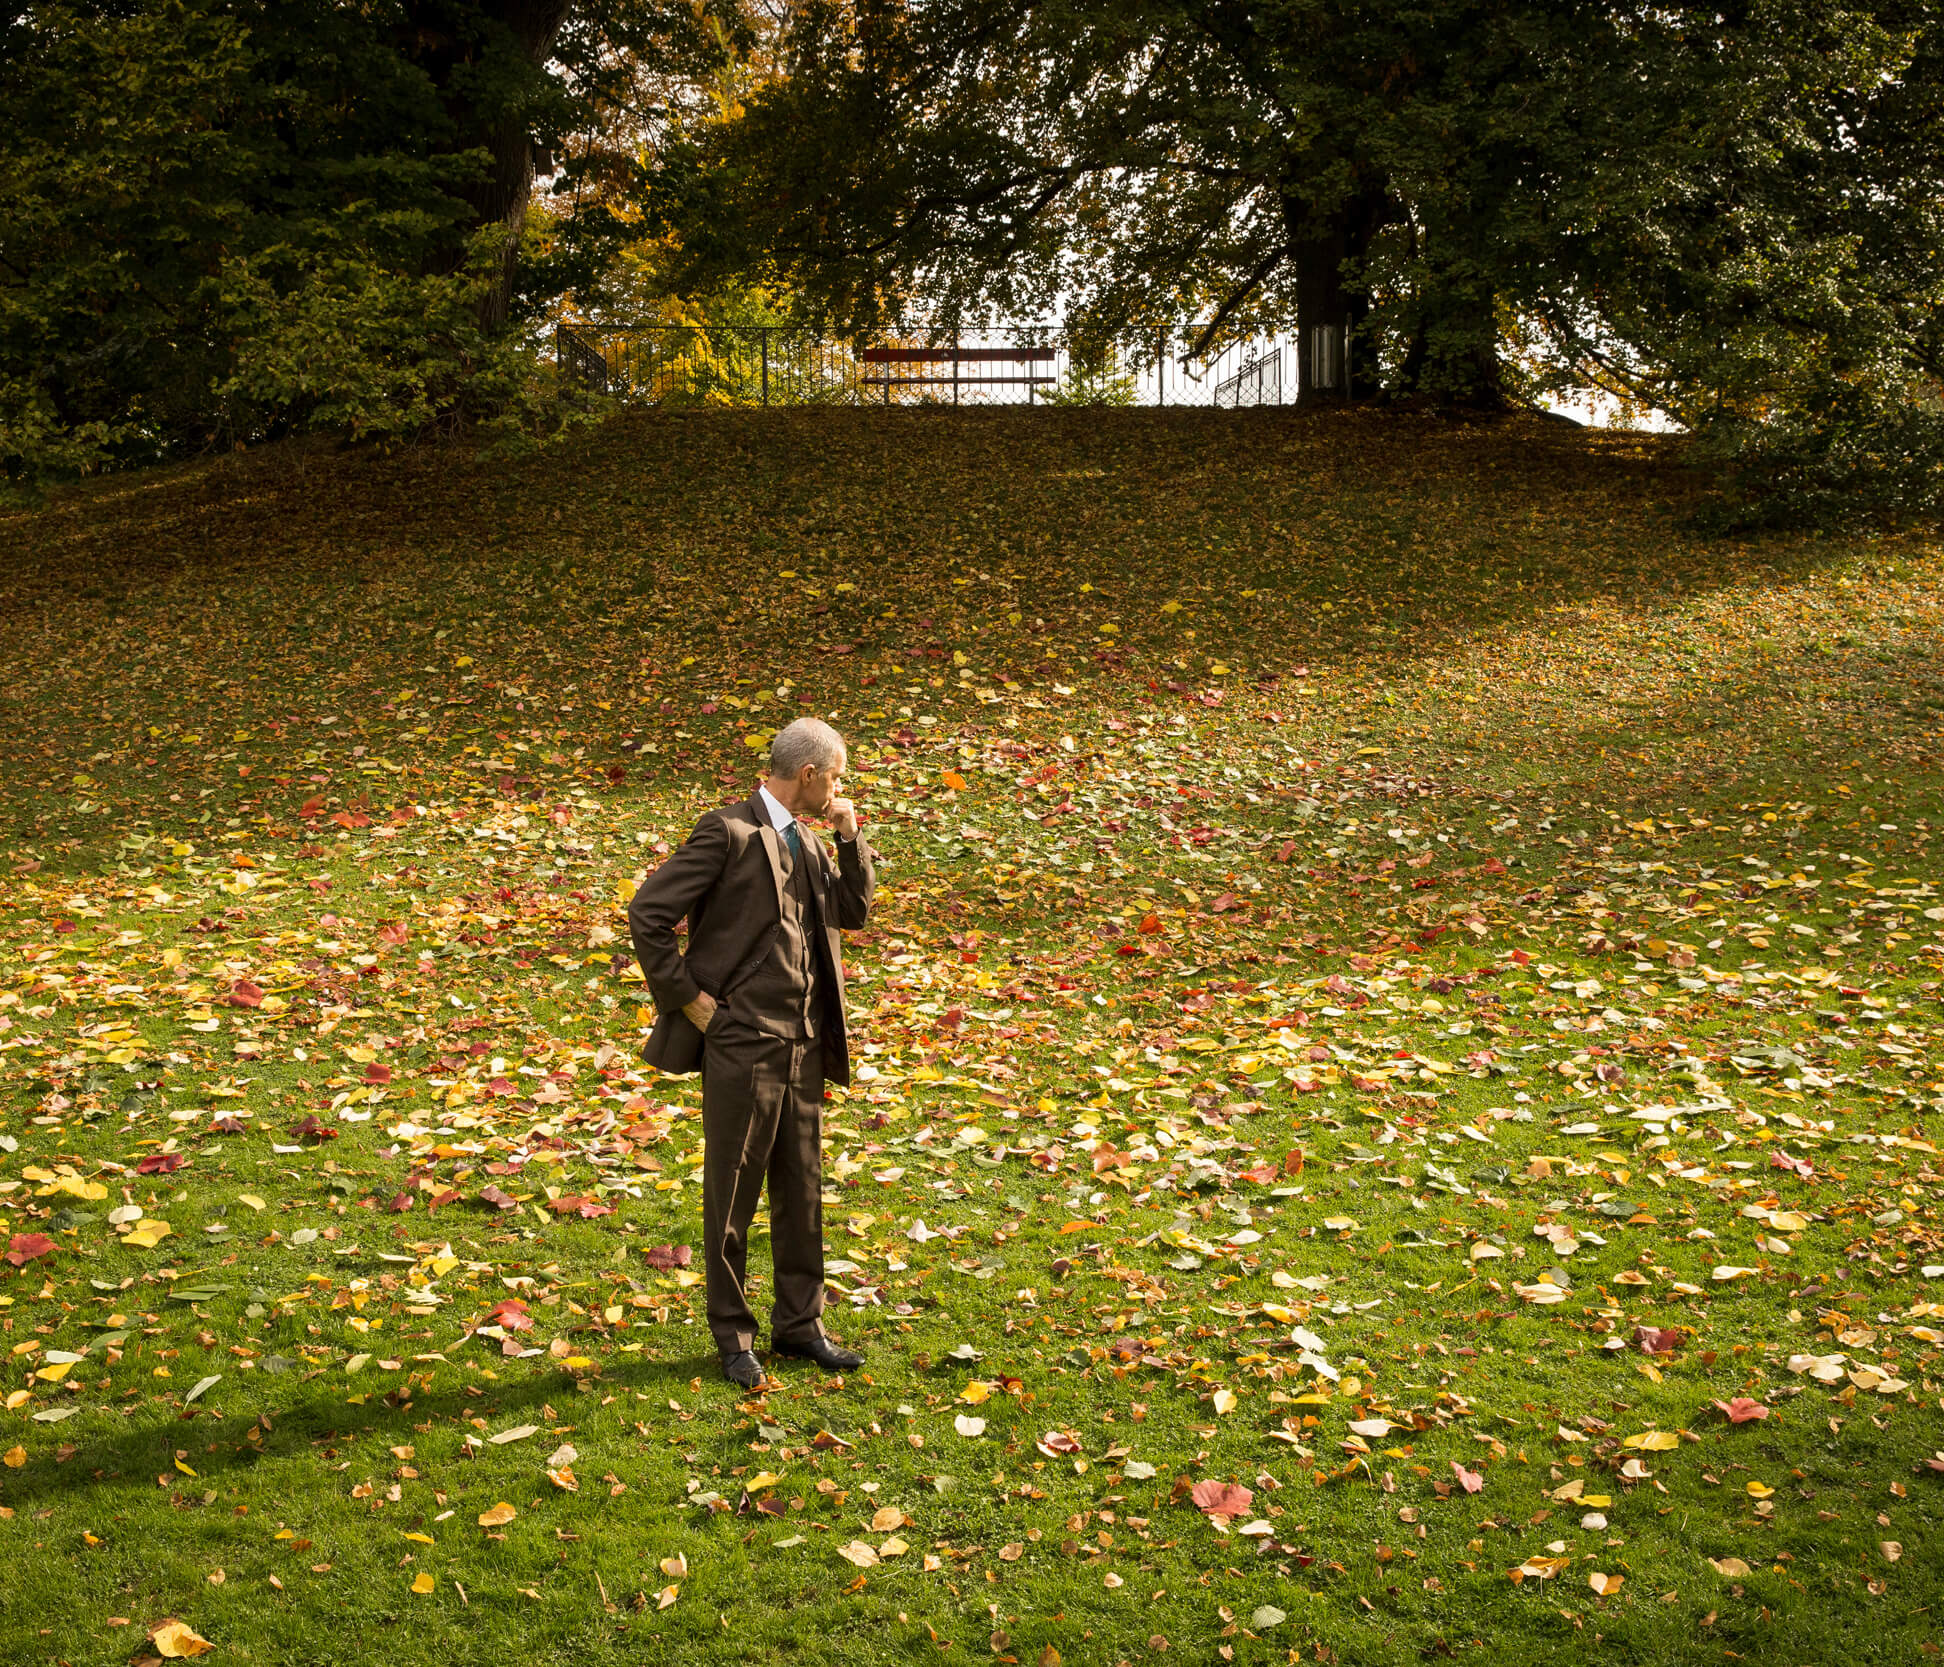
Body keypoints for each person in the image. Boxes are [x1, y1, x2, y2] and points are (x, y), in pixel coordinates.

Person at [627, 716, 876, 1388]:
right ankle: (733, 1336)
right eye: (838, 777)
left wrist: (851, 839)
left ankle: (800, 1324)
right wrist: (688, 999)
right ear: (810, 774)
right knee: (731, 1195)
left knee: (803, 1193)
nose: (840, 789)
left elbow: (853, 913)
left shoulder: (816, 844)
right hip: (740, 1042)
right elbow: (648, 912)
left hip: (802, 1045)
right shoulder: (727, 831)